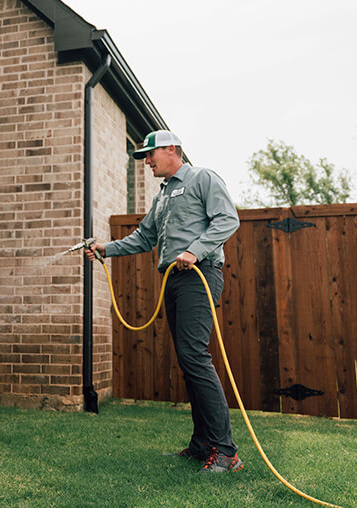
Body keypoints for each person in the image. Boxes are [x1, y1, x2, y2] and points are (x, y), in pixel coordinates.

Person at [85, 130, 243, 473]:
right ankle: (203, 446)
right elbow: (145, 236)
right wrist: (106, 249)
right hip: (173, 279)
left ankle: (227, 453)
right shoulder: (163, 195)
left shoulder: (203, 178)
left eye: (150, 154)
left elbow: (228, 219)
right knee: (189, 362)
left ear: (171, 149)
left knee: (196, 358)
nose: (146, 161)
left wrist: (194, 250)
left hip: (199, 276)